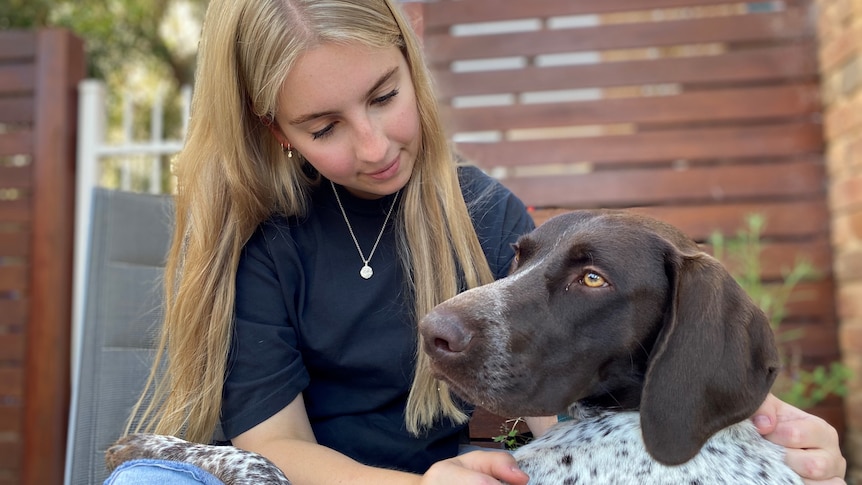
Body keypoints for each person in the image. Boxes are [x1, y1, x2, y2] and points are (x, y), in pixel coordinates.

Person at [109, 0, 848, 484]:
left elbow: (574, 384)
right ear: (277, 130)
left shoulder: (486, 214)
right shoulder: (269, 244)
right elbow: (273, 445)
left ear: (412, 52)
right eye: (325, 126)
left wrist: (750, 428)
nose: (372, 145)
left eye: (383, 97)